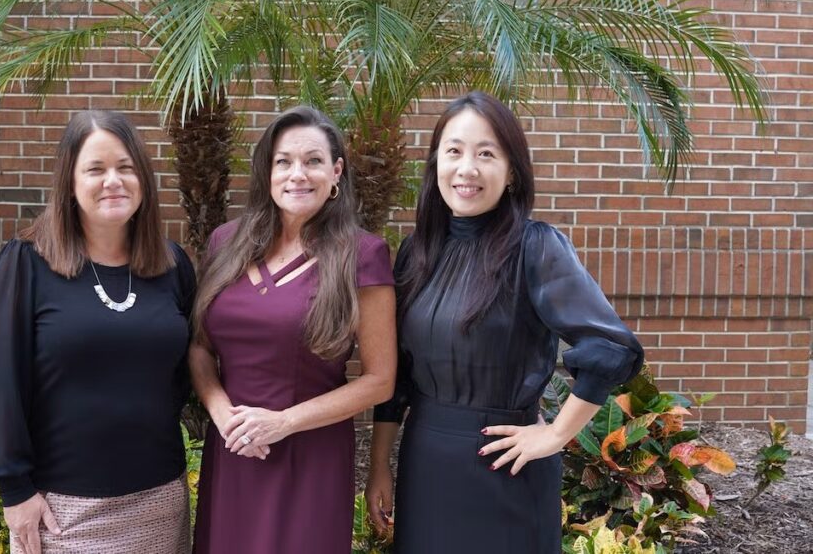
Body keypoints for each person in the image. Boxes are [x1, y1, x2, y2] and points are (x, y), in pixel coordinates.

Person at [365, 92, 645, 553]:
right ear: (436, 163)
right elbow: (394, 378)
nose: (467, 168)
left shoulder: (536, 248)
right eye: (454, 151)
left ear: (512, 171)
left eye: (486, 153)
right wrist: (380, 465)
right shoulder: (418, 252)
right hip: (426, 463)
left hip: (505, 466)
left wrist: (555, 435)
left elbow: (611, 347)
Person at [0, 110, 195, 554]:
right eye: (96, 169)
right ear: (69, 183)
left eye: (126, 167)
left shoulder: (172, 265)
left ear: (143, 180)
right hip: (62, 509)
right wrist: (14, 491)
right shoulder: (27, 262)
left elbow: (182, 373)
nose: (113, 180)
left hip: (160, 498)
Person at [189, 106, 396, 554]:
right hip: (234, 450)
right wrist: (223, 414)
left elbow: (380, 381)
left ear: (336, 171)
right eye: (283, 161)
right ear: (267, 170)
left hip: (310, 456)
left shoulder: (363, 254)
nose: (297, 174)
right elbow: (201, 349)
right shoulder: (225, 244)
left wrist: (283, 422)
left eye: (313, 161)